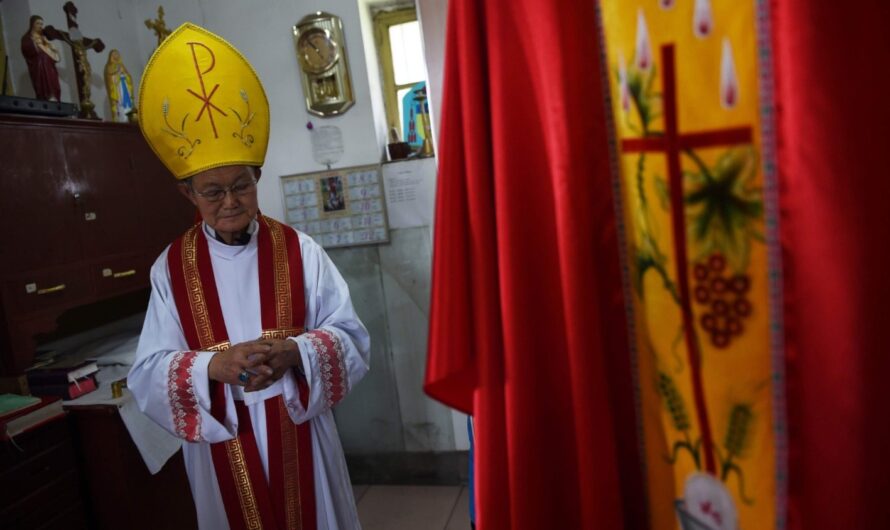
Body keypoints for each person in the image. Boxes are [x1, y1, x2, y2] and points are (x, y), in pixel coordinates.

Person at [128, 22, 369, 530]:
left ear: (257, 178)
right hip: (224, 438)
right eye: (212, 192)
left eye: (241, 185)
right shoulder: (171, 270)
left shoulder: (299, 250)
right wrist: (211, 369)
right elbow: (147, 373)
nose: (230, 201)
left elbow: (351, 338)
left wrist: (297, 352)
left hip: (299, 428)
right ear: (187, 194)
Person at [20, 15, 61, 101]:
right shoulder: (27, 38)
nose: (40, 26)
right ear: (32, 24)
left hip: (50, 66)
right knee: (43, 58)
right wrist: (36, 44)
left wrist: (52, 49)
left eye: (41, 24)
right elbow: (27, 50)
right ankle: (48, 95)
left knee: (53, 79)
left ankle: (53, 95)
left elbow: (53, 54)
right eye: (38, 23)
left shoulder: (44, 38)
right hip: (38, 66)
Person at [104, 49, 134, 122]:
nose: (116, 56)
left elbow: (129, 77)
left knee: (127, 106)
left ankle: (129, 117)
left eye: (117, 54)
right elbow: (110, 79)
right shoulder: (109, 67)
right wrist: (117, 74)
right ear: (111, 56)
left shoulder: (121, 65)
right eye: (114, 54)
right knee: (120, 106)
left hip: (125, 87)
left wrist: (124, 75)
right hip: (117, 89)